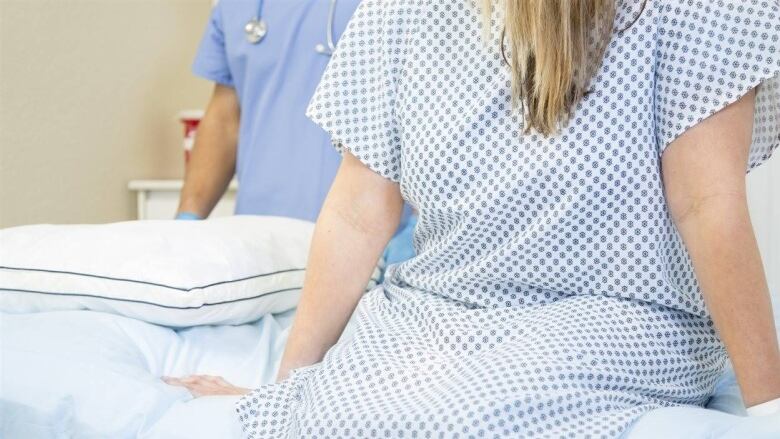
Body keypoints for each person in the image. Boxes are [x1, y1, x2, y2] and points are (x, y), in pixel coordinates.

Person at [165, 0, 780, 436]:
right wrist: (286, 391)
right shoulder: (402, 13)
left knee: (457, 418)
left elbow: (707, 204)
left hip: (620, 315)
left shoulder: (700, 8)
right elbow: (357, 212)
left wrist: (769, 409)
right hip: (437, 311)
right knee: (335, 416)